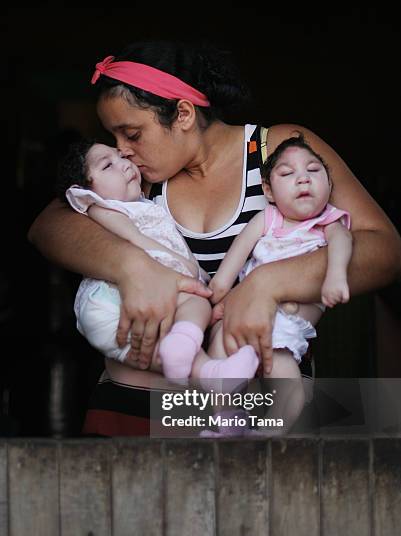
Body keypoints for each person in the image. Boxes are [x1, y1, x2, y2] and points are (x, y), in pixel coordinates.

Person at [28, 40, 401, 437]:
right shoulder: (137, 181)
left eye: (133, 133)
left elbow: (385, 248)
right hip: (137, 406)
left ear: (184, 114)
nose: (123, 151)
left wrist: (267, 283)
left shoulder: (276, 152)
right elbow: (46, 227)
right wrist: (131, 266)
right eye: (115, 138)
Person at [57, 139, 259, 388]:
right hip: (112, 299)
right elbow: (137, 240)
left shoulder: (144, 206)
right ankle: (203, 369)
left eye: (122, 157)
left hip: (120, 308)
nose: (124, 165)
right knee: (194, 304)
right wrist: (188, 269)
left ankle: (207, 374)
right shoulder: (103, 208)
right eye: (108, 165)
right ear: (84, 191)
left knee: (164, 352)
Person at [204, 134, 352, 436]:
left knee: (281, 371)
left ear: (329, 185)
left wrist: (336, 276)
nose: (303, 180)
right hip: (243, 313)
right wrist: (214, 296)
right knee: (219, 349)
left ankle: (273, 431)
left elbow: (343, 244)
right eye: (288, 173)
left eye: (313, 171)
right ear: (269, 191)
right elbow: (233, 261)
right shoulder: (267, 219)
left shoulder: (329, 224)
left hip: (286, 321)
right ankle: (228, 421)